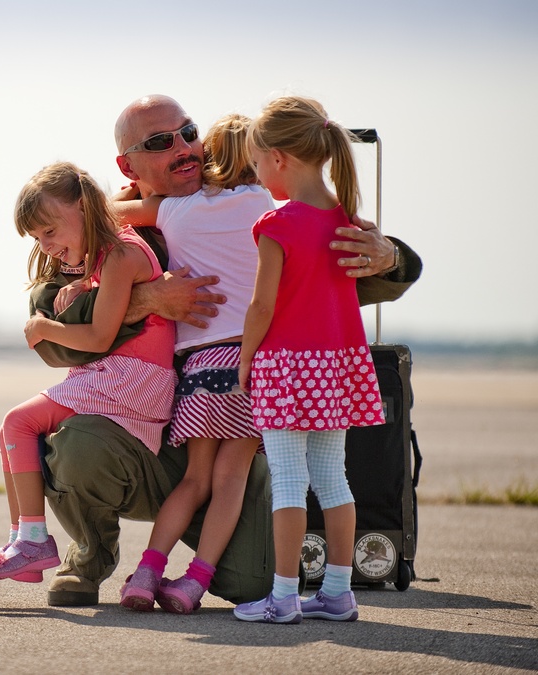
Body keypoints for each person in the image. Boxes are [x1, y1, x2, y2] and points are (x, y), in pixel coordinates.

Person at [37, 95, 421, 609]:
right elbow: (46, 323)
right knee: (77, 444)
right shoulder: (104, 234)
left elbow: (385, 270)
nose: (182, 147)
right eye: (159, 142)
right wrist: (143, 298)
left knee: (249, 582)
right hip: (139, 432)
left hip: (210, 418)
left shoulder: (261, 211)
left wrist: (389, 255)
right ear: (127, 165)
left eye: (189, 132)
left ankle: (168, 574)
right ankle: (91, 557)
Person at [0, 161, 177, 583]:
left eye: (50, 231)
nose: (47, 245)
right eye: (38, 237)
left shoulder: (121, 255)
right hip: (122, 376)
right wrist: (82, 284)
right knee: (12, 432)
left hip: (131, 380)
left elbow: (97, 337)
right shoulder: (106, 257)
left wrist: (44, 327)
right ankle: (21, 540)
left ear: (83, 206)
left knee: (17, 422)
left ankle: (34, 541)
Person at [110, 114, 275, 613]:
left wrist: (137, 196)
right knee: (231, 480)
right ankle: (194, 582)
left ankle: (145, 572)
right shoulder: (265, 207)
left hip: (201, 366)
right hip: (253, 362)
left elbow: (109, 208)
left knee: (194, 480)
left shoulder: (174, 211)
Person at [232, 95, 386, 623]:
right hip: (338, 366)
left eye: (255, 163)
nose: (257, 174)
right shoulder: (347, 220)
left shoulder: (277, 223)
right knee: (333, 478)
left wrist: (246, 360)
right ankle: (339, 592)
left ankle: (283, 596)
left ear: (279, 158)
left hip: (286, 367)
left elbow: (261, 305)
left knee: (290, 482)